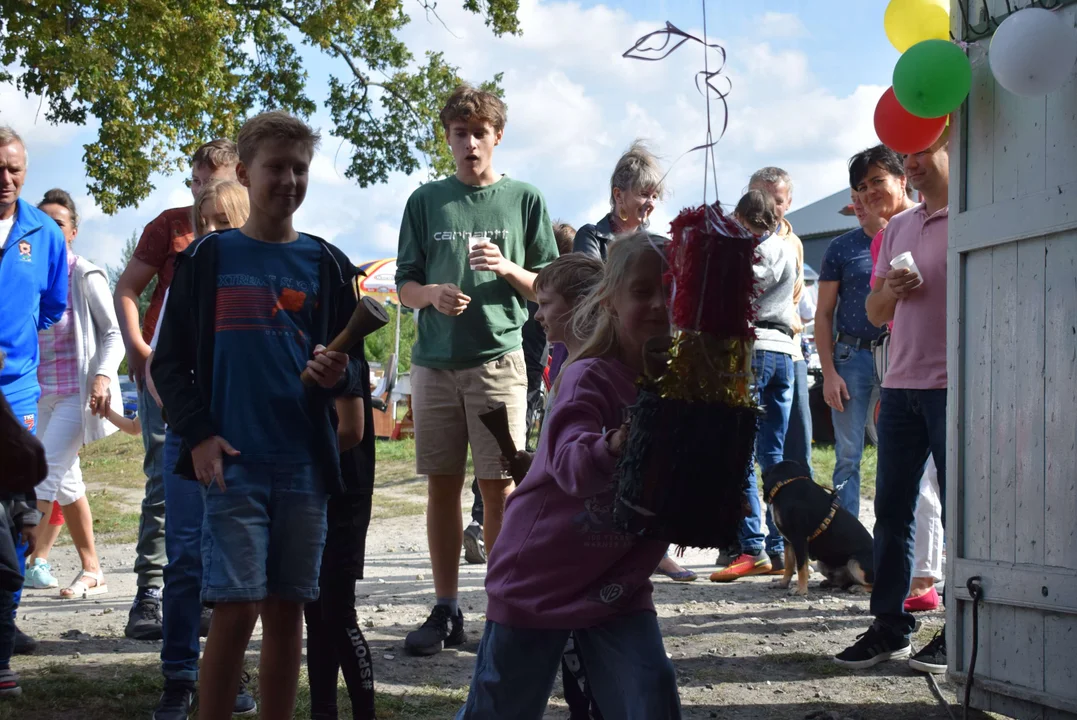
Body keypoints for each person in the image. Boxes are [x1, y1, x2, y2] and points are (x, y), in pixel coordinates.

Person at [152, 111, 364, 720]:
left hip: (304, 465)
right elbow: (170, 366)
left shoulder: (326, 263)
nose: (290, 180)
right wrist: (199, 437)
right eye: (276, 168)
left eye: (301, 168)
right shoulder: (210, 260)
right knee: (236, 609)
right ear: (245, 174)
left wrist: (339, 372)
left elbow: (355, 373)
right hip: (235, 463)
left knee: (285, 610)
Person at [457, 232, 681, 720]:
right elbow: (572, 465)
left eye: (672, 287)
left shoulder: (677, 386)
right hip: (539, 572)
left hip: (616, 579)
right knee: (503, 708)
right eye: (643, 291)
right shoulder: (588, 375)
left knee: (651, 692)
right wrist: (615, 443)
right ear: (610, 302)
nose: (661, 303)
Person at [394, 84, 559, 657]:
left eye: (479, 133)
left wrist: (506, 265)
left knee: (500, 490)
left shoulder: (524, 199)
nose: (469, 144)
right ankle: (445, 608)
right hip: (434, 368)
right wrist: (431, 294)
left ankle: (503, 607)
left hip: (497, 366)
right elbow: (404, 283)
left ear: (497, 136)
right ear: (448, 138)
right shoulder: (425, 201)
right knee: (441, 487)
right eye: (459, 134)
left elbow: (548, 286)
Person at [114, 138, 239, 640]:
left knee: (216, 483)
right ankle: (148, 594)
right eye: (195, 183)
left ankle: (207, 593)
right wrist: (141, 353)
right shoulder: (170, 225)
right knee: (163, 483)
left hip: (216, 378)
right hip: (164, 375)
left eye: (213, 182)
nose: (202, 193)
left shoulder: (245, 227)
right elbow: (127, 288)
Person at [835, 133, 951, 674]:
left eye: (922, 154)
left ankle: (962, 630)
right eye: (908, 156)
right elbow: (877, 311)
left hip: (957, 384)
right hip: (902, 384)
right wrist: (893, 291)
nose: (916, 163)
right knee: (892, 512)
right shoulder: (898, 230)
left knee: (962, 512)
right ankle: (891, 627)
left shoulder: (974, 216)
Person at [147, 179, 256, 720]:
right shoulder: (185, 277)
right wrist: (193, 430)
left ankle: (231, 671)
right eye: (203, 221)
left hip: (242, 443)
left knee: (235, 563)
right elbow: (157, 370)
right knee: (185, 560)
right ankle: (179, 677)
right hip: (188, 441)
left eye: (222, 222)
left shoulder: (259, 280)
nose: (209, 232)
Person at [22, 190, 122, 601]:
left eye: (58, 223)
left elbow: (113, 334)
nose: (50, 228)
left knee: (39, 474)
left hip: (75, 397)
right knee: (68, 485)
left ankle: (12, 565)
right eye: (42, 222)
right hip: (36, 395)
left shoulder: (85, 274)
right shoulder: (28, 276)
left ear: (73, 231)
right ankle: (93, 569)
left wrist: (102, 376)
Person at [463, 221, 575, 566]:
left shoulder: (522, 281)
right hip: (520, 374)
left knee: (504, 452)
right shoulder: (542, 291)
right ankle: (491, 525)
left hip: (520, 370)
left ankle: (484, 521)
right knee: (509, 452)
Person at [0, 126, 68, 661]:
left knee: (18, 508)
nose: (6, 179)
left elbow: (52, 305)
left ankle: (6, 623)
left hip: (17, 390)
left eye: (15, 169)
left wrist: (16, 339)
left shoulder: (42, 232)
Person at [710, 190, 798, 583]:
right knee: (773, 454)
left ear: (746, 219)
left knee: (742, 450)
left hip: (756, 348)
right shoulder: (789, 248)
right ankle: (781, 546)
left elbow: (745, 288)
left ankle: (753, 548)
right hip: (786, 353)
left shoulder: (761, 251)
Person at [304, 353, 378, 720]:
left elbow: (351, 430)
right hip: (311, 488)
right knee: (314, 613)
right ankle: (323, 711)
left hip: (347, 491)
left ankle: (365, 714)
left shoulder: (345, 354)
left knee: (336, 612)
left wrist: (299, 457)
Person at [815, 181, 887, 518]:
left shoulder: (903, 237)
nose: (859, 206)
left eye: (864, 199)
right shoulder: (841, 247)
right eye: (853, 201)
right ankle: (846, 541)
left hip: (897, 355)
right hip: (851, 355)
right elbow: (823, 313)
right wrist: (828, 373)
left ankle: (895, 542)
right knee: (847, 454)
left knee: (899, 451)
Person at [749, 168, 812, 487]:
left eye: (775, 200)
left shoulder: (792, 243)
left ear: (788, 202)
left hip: (786, 349)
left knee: (794, 448)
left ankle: (784, 528)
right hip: (780, 346)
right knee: (767, 448)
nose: (768, 207)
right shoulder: (755, 239)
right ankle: (769, 536)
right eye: (760, 198)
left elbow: (799, 296)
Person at [573, 141, 663, 261]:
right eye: (644, 194)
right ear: (618, 195)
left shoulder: (654, 246)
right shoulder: (591, 236)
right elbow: (590, 279)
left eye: (654, 197)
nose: (651, 203)